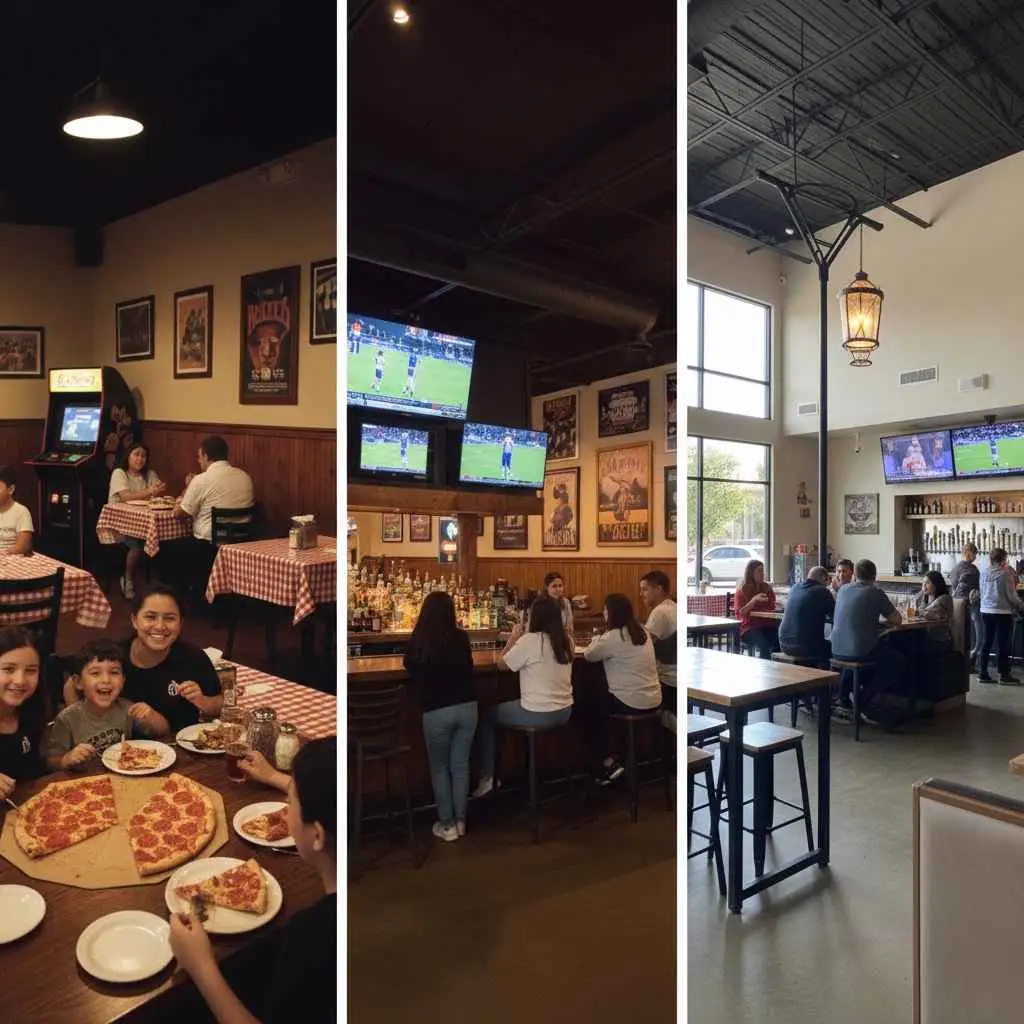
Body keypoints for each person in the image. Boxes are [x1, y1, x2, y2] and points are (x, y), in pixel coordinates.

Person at [169, 738, 337, 1024]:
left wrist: (200, 966)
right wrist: (273, 776)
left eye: (290, 802)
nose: (285, 810)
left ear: (317, 835)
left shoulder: (313, 937)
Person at [65, 586, 222, 734]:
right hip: (120, 747)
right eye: (150, 617)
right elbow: (71, 686)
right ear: (134, 620)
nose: (160, 626)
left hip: (180, 744)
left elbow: (220, 703)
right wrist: (82, 726)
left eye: (170, 618)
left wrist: (203, 701)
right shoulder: (113, 656)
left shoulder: (193, 657)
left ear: (181, 623)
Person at [473, 595, 573, 797]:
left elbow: (502, 664)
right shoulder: (567, 641)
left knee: (486, 716)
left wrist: (513, 638)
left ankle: (488, 778)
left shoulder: (530, 641)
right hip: (564, 712)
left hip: (536, 713)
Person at [403, 592, 478, 842]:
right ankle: (461, 822)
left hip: (437, 711)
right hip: (467, 708)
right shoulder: (461, 638)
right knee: (460, 766)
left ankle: (447, 826)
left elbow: (409, 667)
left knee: (440, 768)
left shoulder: (420, 640)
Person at [581, 593, 661, 785]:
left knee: (585, 709)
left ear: (612, 613)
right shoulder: (642, 631)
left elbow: (589, 655)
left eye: (605, 609)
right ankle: (615, 759)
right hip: (654, 700)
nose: (604, 613)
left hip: (630, 702)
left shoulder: (613, 637)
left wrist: (596, 638)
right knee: (598, 705)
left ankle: (605, 763)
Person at [43, 639, 154, 770]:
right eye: (95, 673)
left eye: (114, 672)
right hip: (84, 779)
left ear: (123, 680)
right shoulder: (66, 719)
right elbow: (51, 762)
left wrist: (150, 714)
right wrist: (67, 758)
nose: (106, 680)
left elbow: (163, 730)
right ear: (78, 682)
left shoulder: (126, 707)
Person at [170, 436, 254, 601]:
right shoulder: (244, 476)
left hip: (208, 548)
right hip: (242, 545)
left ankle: (187, 601)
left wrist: (188, 487)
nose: (198, 461)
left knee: (170, 548)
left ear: (206, 456)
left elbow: (179, 513)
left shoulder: (201, 479)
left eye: (199, 456)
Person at [830, 559, 903, 721]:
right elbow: (897, 620)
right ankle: (862, 700)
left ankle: (843, 698)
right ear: (874, 576)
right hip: (860, 651)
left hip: (835, 649)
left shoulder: (843, 590)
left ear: (854, 575)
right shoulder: (876, 593)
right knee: (896, 661)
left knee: (857, 653)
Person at [108, 444, 166, 599]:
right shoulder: (119, 473)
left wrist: (158, 489)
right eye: (136, 454)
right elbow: (125, 496)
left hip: (142, 522)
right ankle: (128, 580)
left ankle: (157, 584)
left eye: (143, 456)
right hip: (119, 523)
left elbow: (158, 492)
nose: (140, 459)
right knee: (137, 542)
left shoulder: (150, 474)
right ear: (128, 456)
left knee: (163, 539)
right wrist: (150, 491)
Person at [0, 627, 47, 800]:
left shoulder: (32, 710)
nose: (20, 680)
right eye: (8, 669)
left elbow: (34, 770)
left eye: (31, 670)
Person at [978, 547, 1024, 684]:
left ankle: (983, 673)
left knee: (986, 642)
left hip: (985, 610)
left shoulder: (984, 572)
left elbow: (981, 591)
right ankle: (1004, 675)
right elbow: (1011, 595)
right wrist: (1021, 605)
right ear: (1003, 559)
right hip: (1002, 612)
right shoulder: (1006, 574)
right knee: (1003, 643)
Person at [778, 566, 835, 666]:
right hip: (805, 647)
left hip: (784, 644)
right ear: (823, 578)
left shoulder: (795, 588)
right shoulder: (822, 590)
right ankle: (824, 675)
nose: (827, 585)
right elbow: (835, 615)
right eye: (827, 581)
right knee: (837, 649)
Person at [640, 569, 677, 714]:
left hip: (668, 680)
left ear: (658, 589)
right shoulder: (673, 606)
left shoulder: (661, 611)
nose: (641, 594)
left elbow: (642, 645)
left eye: (645, 589)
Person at [735, 559, 778, 659]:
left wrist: (777, 604)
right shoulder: (742, 591)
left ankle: (777, 666)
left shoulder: (767, 588)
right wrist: (753, 600)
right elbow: (741, 613)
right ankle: (765, 667)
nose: (762, 574)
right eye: (759, 571)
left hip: (767, 625)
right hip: (749, 627)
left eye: (763, 571)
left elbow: (772, 607)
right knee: (764, 644)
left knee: (780, 640)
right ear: (751, 573)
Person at [950, 542, 982, 663]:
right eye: (974, 554)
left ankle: (962, 657)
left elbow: (953, 585)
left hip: (957, 604)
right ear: (968, 553)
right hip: (972, 603)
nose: (975, 557)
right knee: (978, 630)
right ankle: (974, 654)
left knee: (960, 631)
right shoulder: (973, 569)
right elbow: (979, 586)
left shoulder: (955, 569)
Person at [912, 571, 954, 652]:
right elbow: (912, 604)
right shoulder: (925, 597)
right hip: (926, 637)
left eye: (927, 583)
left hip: (940, 640)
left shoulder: (945, 599)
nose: (924, 586)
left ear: (937, 584)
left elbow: (931, 614)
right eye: (923, 583)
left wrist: (917, 611)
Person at [0, 466, 33, 555]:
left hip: (10, 558)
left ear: (11, 489)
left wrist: (3, 554)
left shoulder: (21, 512)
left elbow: (23, 546)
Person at [543, 571, 574, 638]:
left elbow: (570, 625)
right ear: (547, 588)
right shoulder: (540, 604)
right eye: (554, 586)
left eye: (560, 586)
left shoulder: (566, 602)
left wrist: (569, 629)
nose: (558, 589)